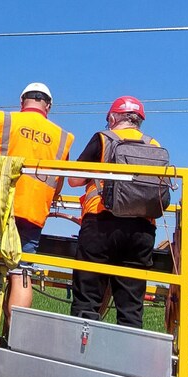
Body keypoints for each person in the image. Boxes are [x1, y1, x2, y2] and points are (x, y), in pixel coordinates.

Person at [0, 82, 74, 322]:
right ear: (48, 106)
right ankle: (15, 334)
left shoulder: (4, 120)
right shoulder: (62, 136)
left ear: (22, 102)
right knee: (21, 272)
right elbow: (59, 181)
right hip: (32, 212)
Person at [68, 96, 160, 328]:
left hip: (101, 225)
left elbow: (75, 180)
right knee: (131, 307)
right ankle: (126, 360)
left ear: (112, 117)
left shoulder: (103, 138)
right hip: (142, 231)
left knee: (87, 301)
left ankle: (80, 355)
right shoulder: (154, 146)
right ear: (139, 120)